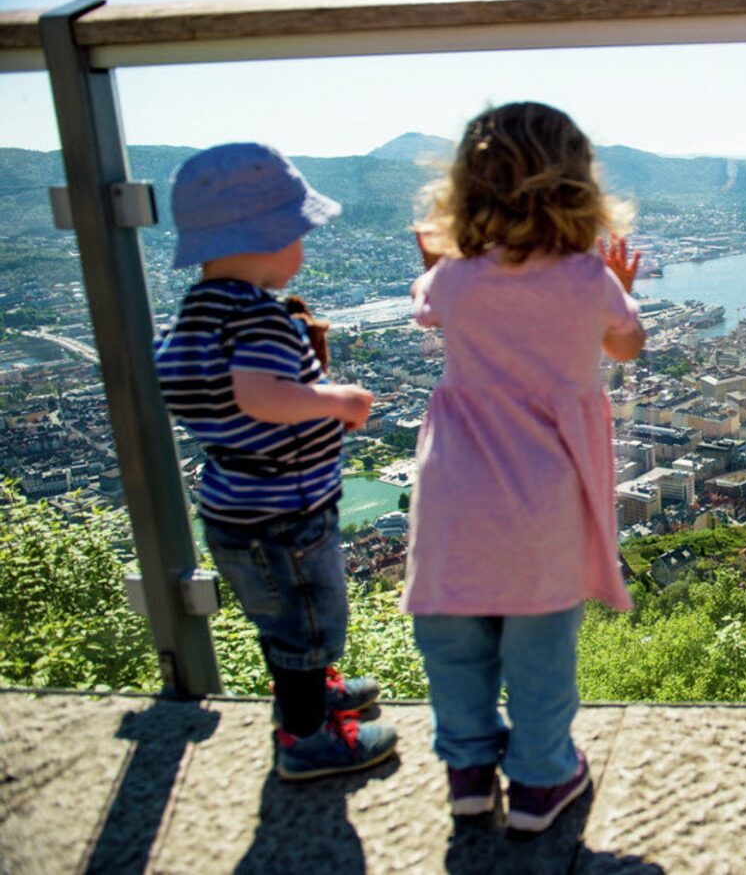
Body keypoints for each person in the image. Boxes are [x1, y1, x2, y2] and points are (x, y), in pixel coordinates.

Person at [404, 102, 646, 833]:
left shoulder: (455, 278)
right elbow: (625, 345)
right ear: (579, 191)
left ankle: (469, 776)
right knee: (538, 651)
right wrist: (620, 288)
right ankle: (542, 781)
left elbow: (428, 307)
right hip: (545, 494)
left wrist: (438, 263)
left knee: (453, 643)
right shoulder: (586, 279)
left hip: (453, 493)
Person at [152, 143, 398, 781]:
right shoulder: (258, 317)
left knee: (280, 623)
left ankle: (307, 696)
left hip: (232, 504)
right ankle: (309, 739)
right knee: (310, 621)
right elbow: (260, 396)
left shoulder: (193, 317)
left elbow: (189, 386)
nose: (304, 252)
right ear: (265, 236)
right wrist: (337, 399)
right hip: (286, 512)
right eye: (299, 236)